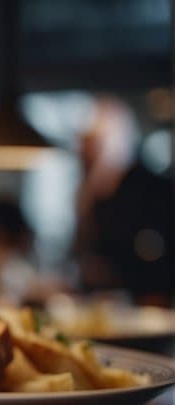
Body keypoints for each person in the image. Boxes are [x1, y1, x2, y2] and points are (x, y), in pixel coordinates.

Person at [73, 97, 173, 305]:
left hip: (146, 307)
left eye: (93, 143)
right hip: (104, 304)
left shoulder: (150, 188)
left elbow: (157, 256)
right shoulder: (92, 191)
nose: (84, 152)